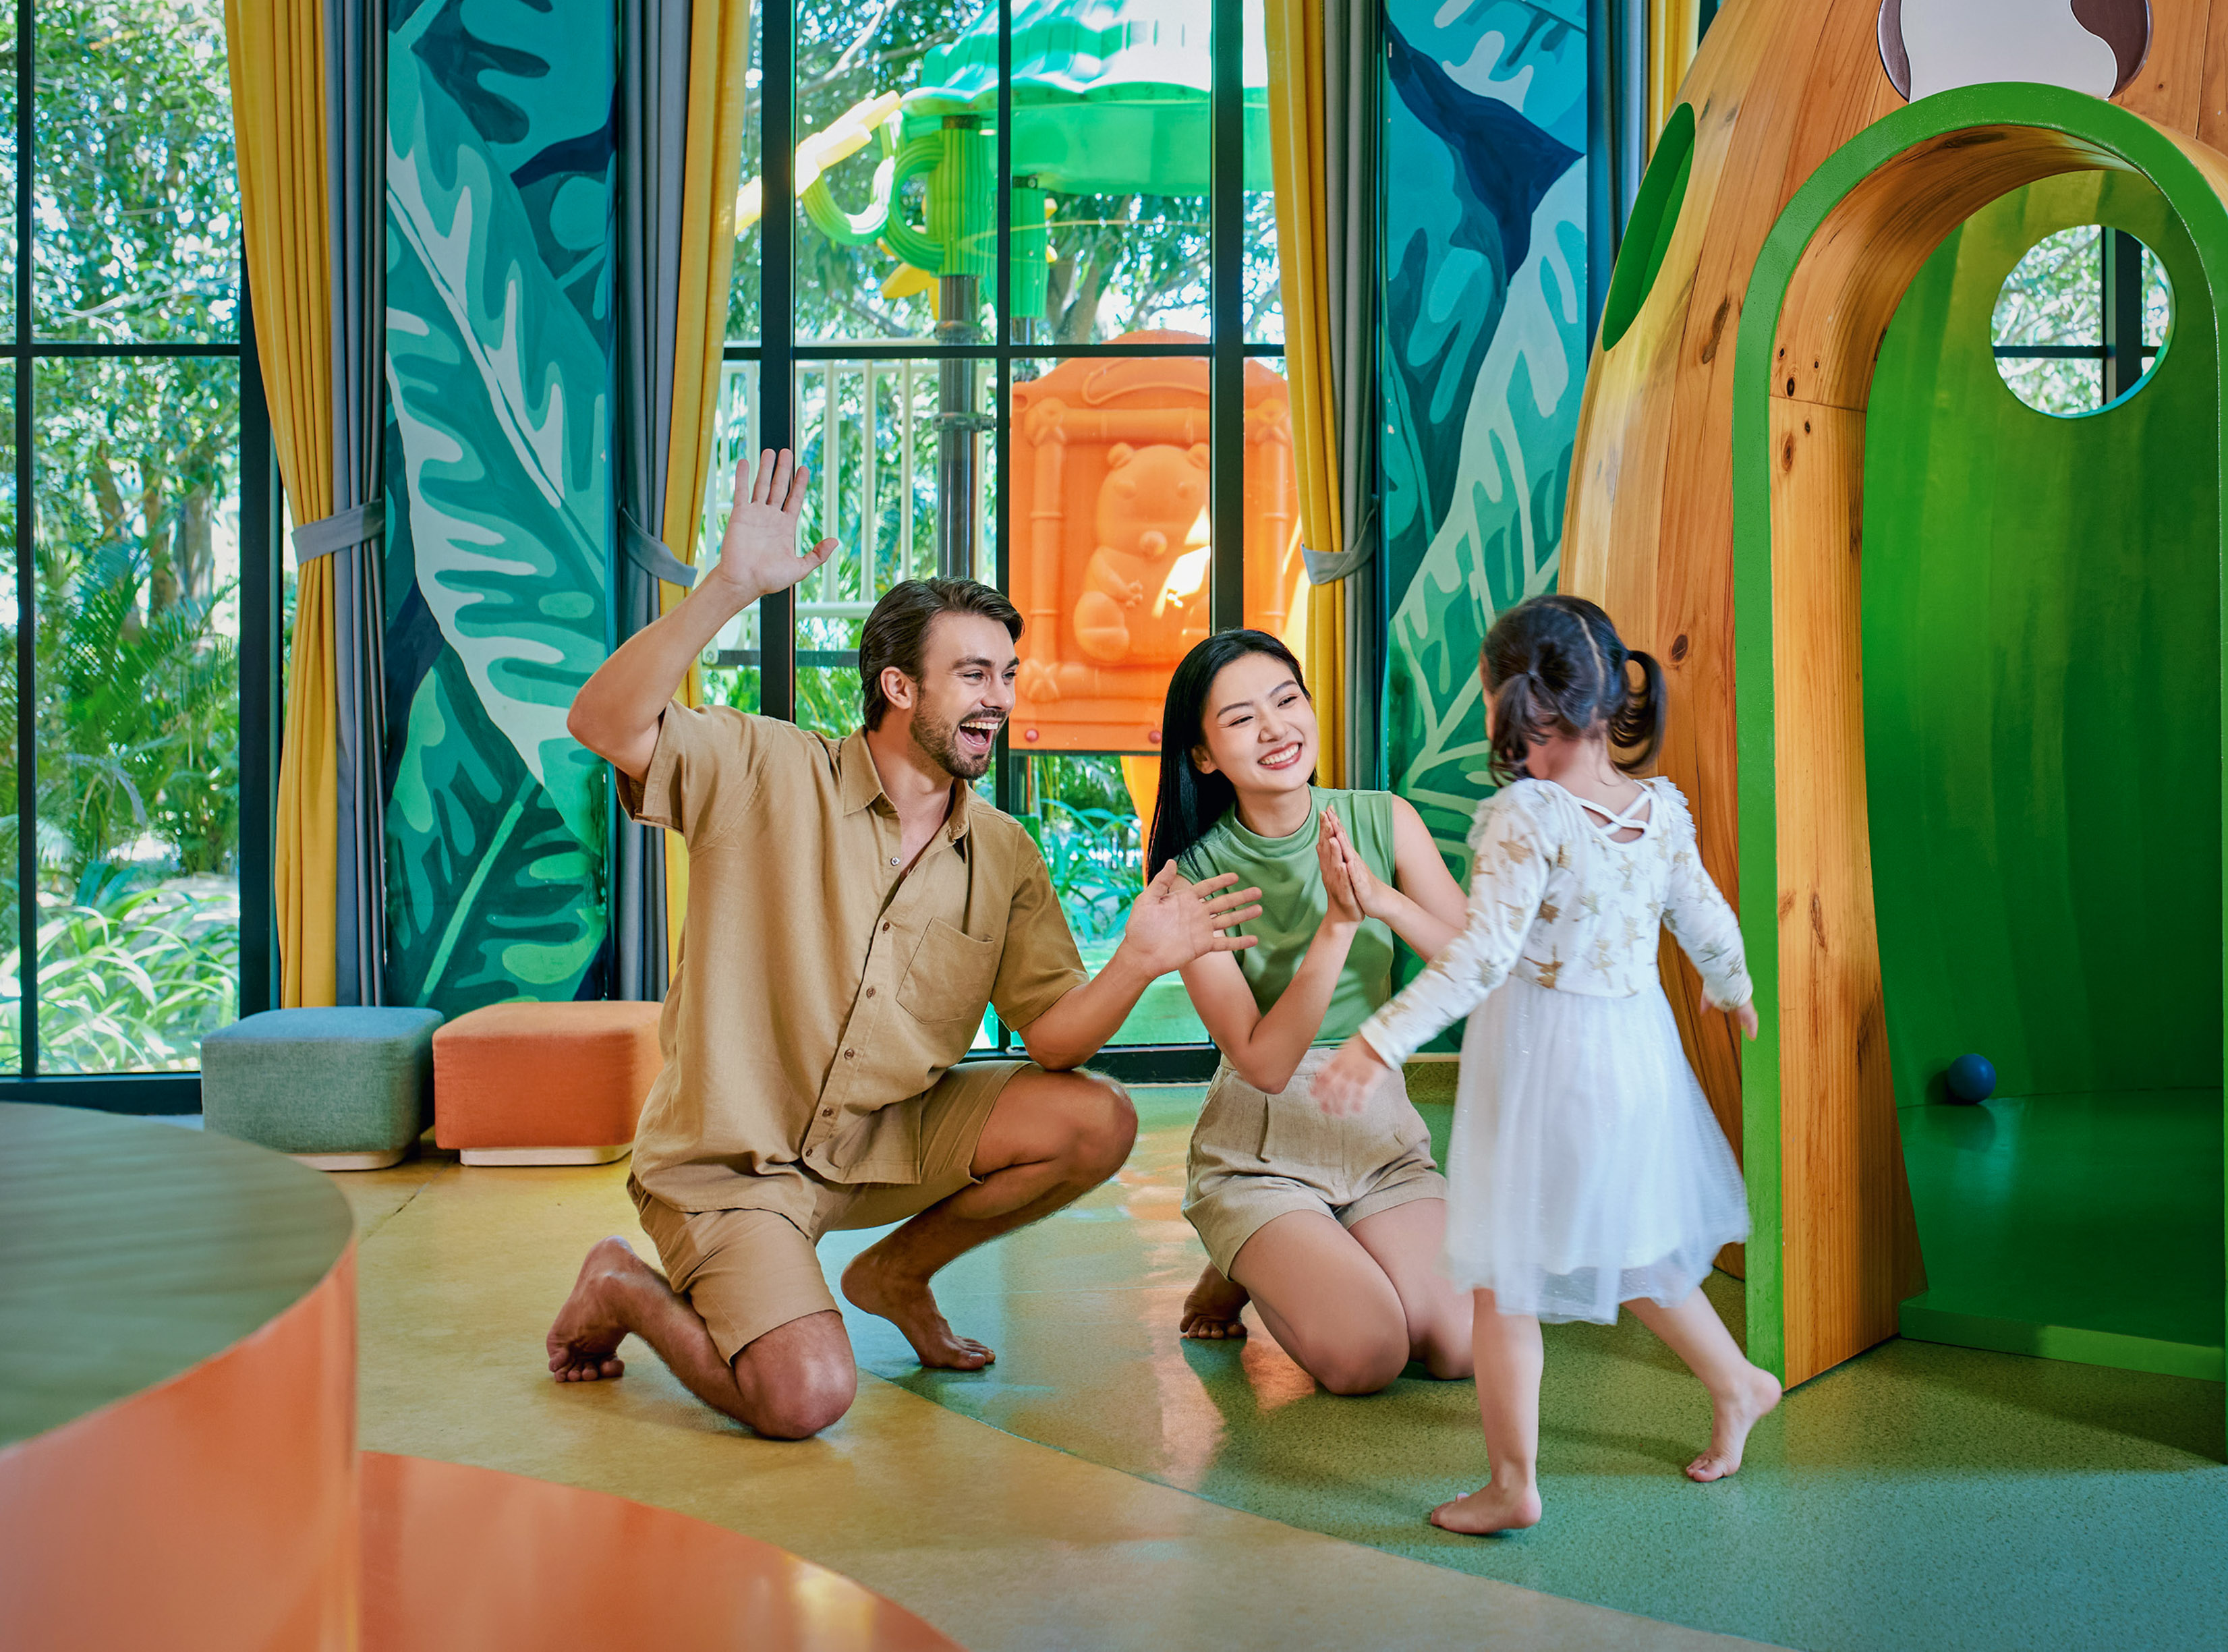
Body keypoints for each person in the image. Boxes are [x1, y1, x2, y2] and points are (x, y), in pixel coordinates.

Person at [542, 451, 1261, 1440]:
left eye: (1007, 674)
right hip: (733, 1163)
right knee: (803, 1397)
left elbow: (1054, 1041)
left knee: (1096, 1118)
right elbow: (602, 719)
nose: (999, 698)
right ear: (895, 685)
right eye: (973, 674)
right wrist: (729, 587)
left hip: (881, 1138)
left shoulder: (1002, 851)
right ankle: (621, 1282)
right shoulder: (765, 769)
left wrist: (1139, 957)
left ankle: (897, 1271)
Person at [1317, 594, 1780, 1533]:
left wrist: (1378, 1037)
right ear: (1610, 692)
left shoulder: (1526, 813)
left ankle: (1513, 1483)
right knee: (1631, 1242)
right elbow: (1707, 917)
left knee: (1504, 1276)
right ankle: (1739, 1381)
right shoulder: (1657, 808)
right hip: (1635, 1059)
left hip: (1544, 1065)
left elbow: (1484, 956)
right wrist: (1731, 988)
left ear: (1510, 703)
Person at [1150, 629, 1477, 1392]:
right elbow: (1262, 1063)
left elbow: (1475, 964)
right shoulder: (1187, 878)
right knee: (1367, 1356)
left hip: (1380, 1134)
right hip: (1262, 1145)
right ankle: (1245, 1244)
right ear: (1202, 755)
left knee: (1459, 1347)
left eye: (1287, 699)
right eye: (1239, 719)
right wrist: (1336, 925)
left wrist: (1383, 900)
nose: (1275, 728)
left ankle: (1284, 1253)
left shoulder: (1383, 818)